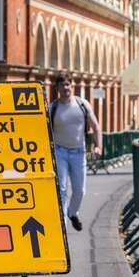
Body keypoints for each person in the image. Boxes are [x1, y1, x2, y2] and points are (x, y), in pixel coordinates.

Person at [50, 72, 102, 231]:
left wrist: (98, 146)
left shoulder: (82, 104)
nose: (65, 88)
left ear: (71, 86)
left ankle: (72, 213)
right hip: (59, 152)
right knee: (63, 189)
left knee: (80, 190)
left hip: (79, 152)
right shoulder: (53, 108)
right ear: (57, 88)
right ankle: (63, 226)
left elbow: (96, 127)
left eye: (68, 85)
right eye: (62, 85)